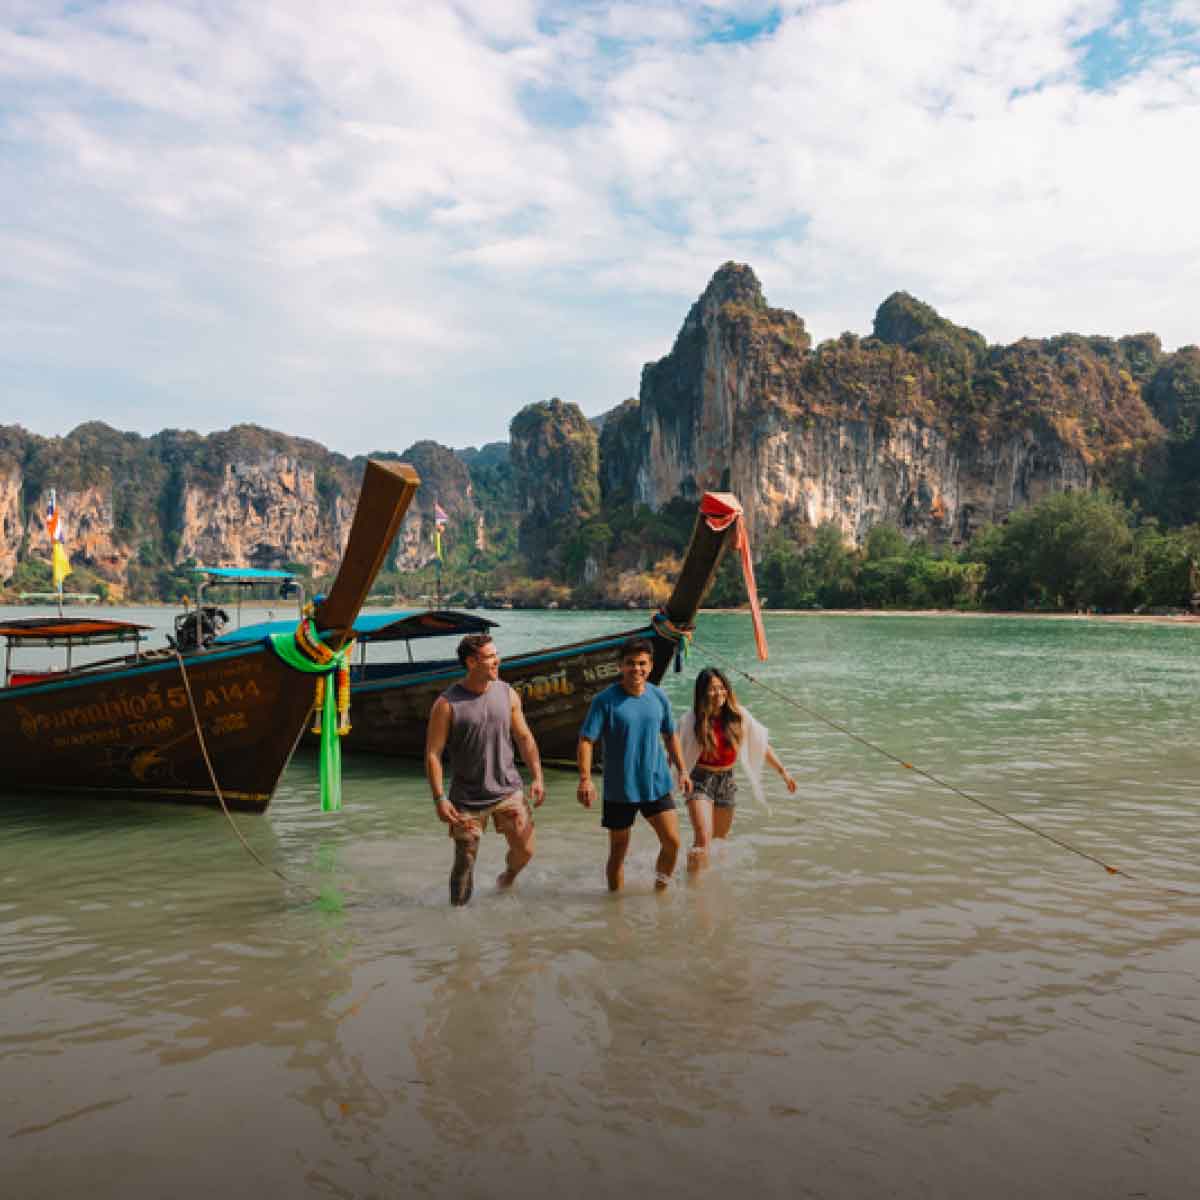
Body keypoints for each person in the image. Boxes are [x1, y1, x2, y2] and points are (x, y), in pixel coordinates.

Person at [425, 633, 545, 906]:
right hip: (467, 799)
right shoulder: (446, 704)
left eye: (495, 654)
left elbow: (524, 738)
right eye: (490, 656)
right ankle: (458, 921)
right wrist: (439, 798)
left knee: (526, 849)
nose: (497, 660)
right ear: (471, 662)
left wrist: (537, 776)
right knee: (465, 862)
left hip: (508, 790)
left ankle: (508, 878)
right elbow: (433, 753)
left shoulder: (507, 693)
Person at [577, 637, 692, 892]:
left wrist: (683, 771)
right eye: (630, 663)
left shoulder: (659, 697)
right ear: (620, 666)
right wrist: (585, 779)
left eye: (642, 663)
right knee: (618, 851)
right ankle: (614, 906)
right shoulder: (604, 701)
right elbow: (586, 740)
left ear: (650, 666)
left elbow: (670, 735)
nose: (636, 669)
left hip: (656, 783)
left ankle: (660, 892)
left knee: (672, 843)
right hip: (620, 789)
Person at [679, 666, 796, 870]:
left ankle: (717, 884)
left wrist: (783, 771)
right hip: (699, 781)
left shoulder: (738, 715)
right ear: (702, 692)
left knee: (720, 840)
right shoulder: (691, 719)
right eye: (712, 689)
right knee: (702, 840)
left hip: (727, 781)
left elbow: (761, 745)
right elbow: (676, 749)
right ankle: (694, 892)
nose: (719, 693)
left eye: (722, 687)